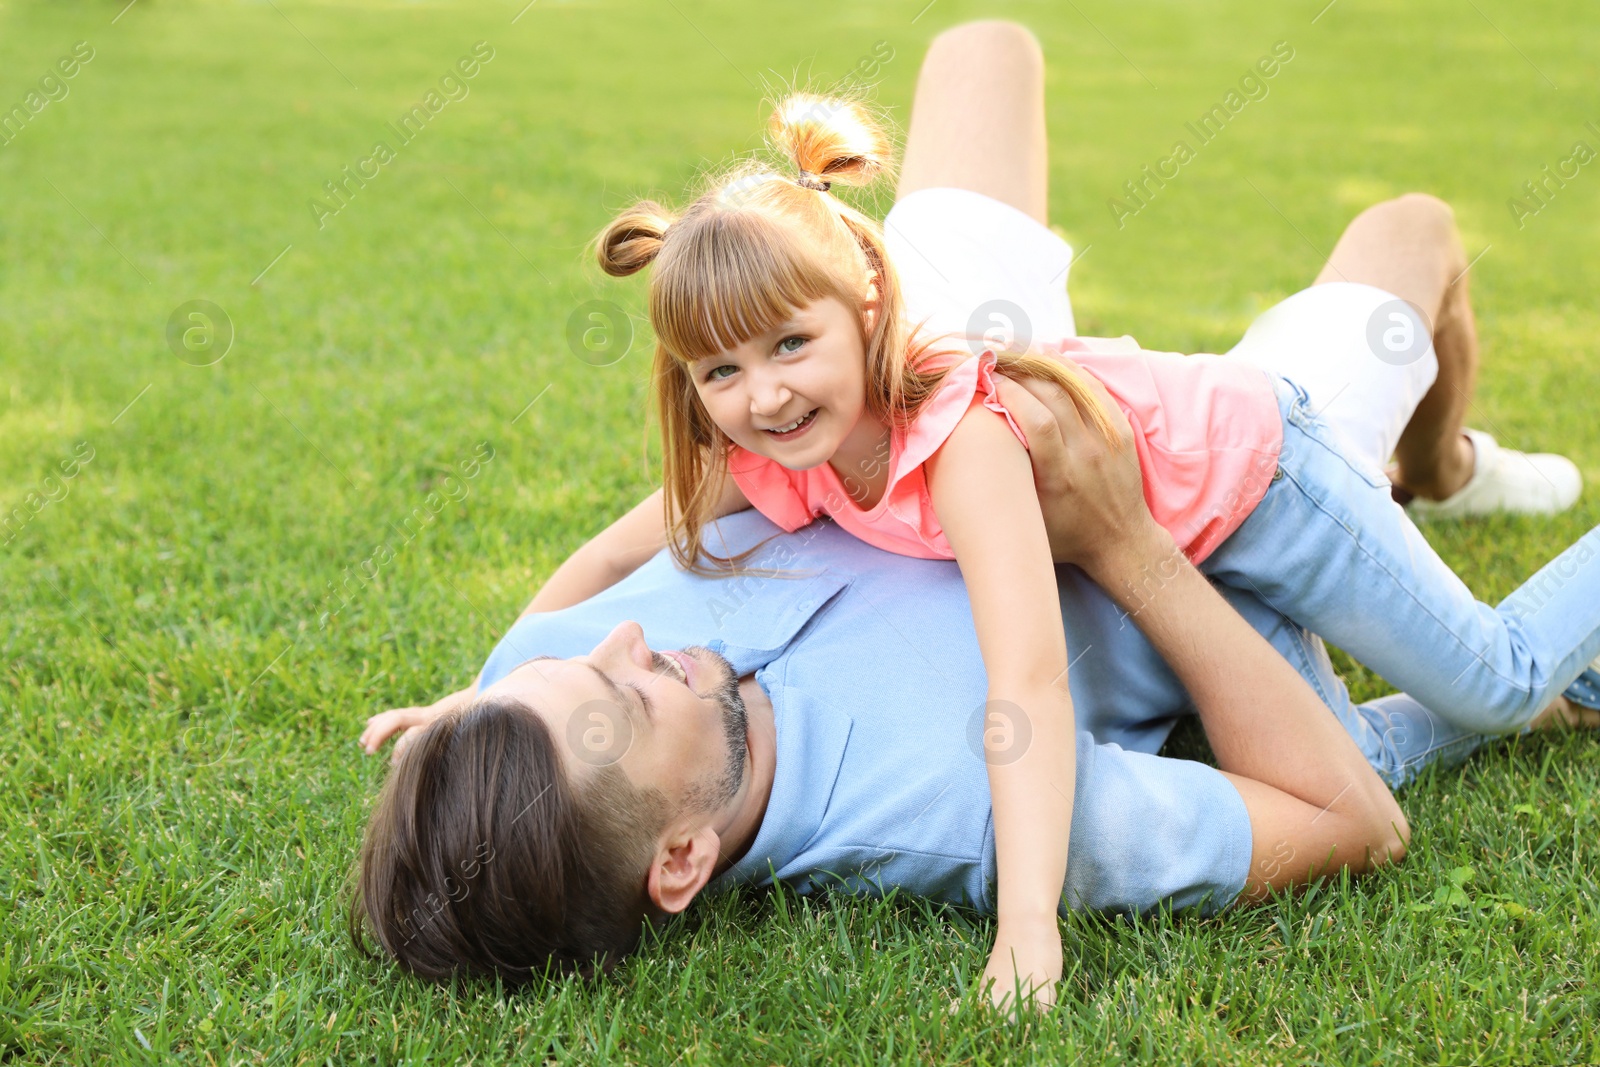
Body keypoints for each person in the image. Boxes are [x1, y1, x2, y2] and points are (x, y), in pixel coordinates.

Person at [350, 21, 1600, 1008]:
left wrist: (466, 706)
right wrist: (1125, 546)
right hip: (1187, 478)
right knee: (1410, 236)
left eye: (557, 667)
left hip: (920, 373)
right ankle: (1408, 485)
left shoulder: (537, 692)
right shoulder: (963, 808)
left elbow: (584, 603)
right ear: (677, 859)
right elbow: (1349, 816)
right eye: (623, 698)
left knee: (981, 51)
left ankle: (1439, 465)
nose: (613, 646)